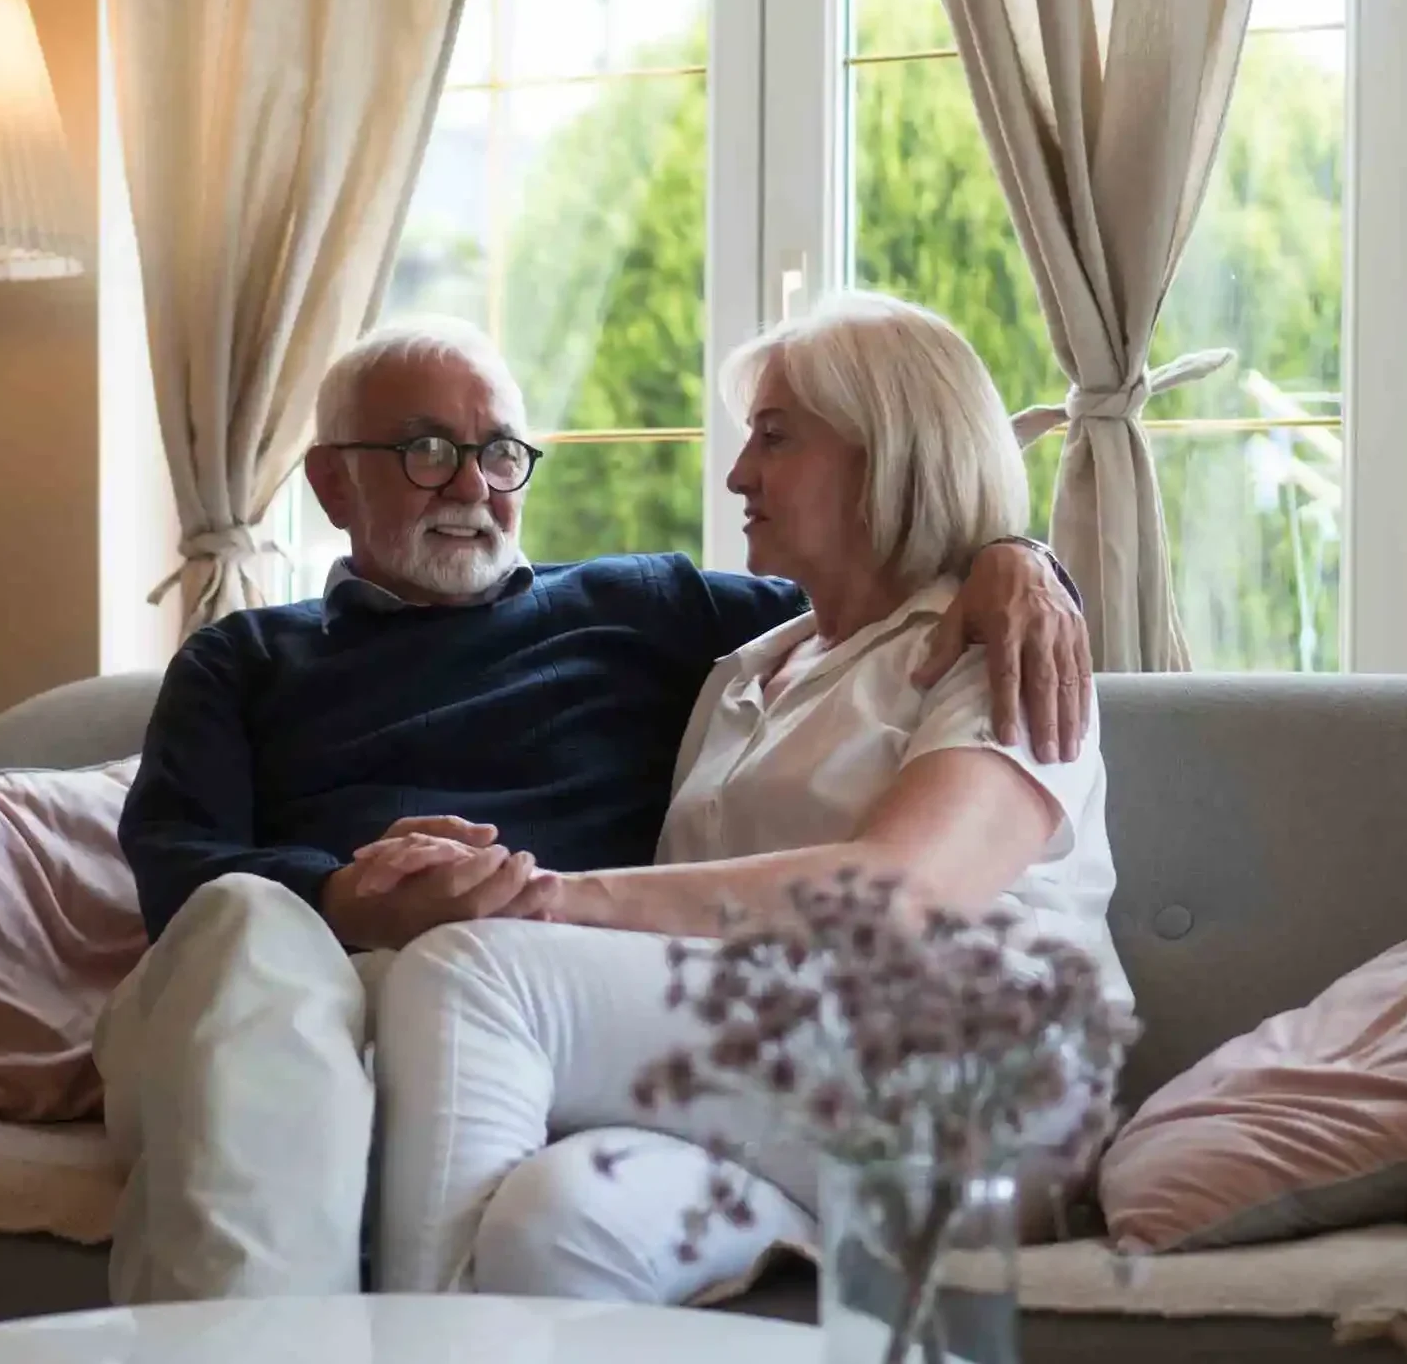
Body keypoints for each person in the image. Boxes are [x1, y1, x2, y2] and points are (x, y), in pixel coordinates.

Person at [93, 312, 1091, 1304]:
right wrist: (351, 899)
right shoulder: (244, 660)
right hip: (310, 1003)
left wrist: (1018, 555)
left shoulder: (647, 614)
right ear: (331, 482)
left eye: (497, 453)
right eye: (428, 450)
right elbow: (181, 871)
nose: (472, 484)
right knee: (548, 1216)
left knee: (466, 970)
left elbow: (909, 601)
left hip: (568, 1013)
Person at [368, 293, 1133, 1303]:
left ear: (889, 454)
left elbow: (895, 897)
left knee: (474, 974)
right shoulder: (745, 672)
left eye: (774, 439)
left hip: (969, 1086)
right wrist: (460, 868)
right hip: (792, 1098)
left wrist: (546, 899)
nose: (735, 473)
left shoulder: (1000, 646)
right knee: (553, 1223)